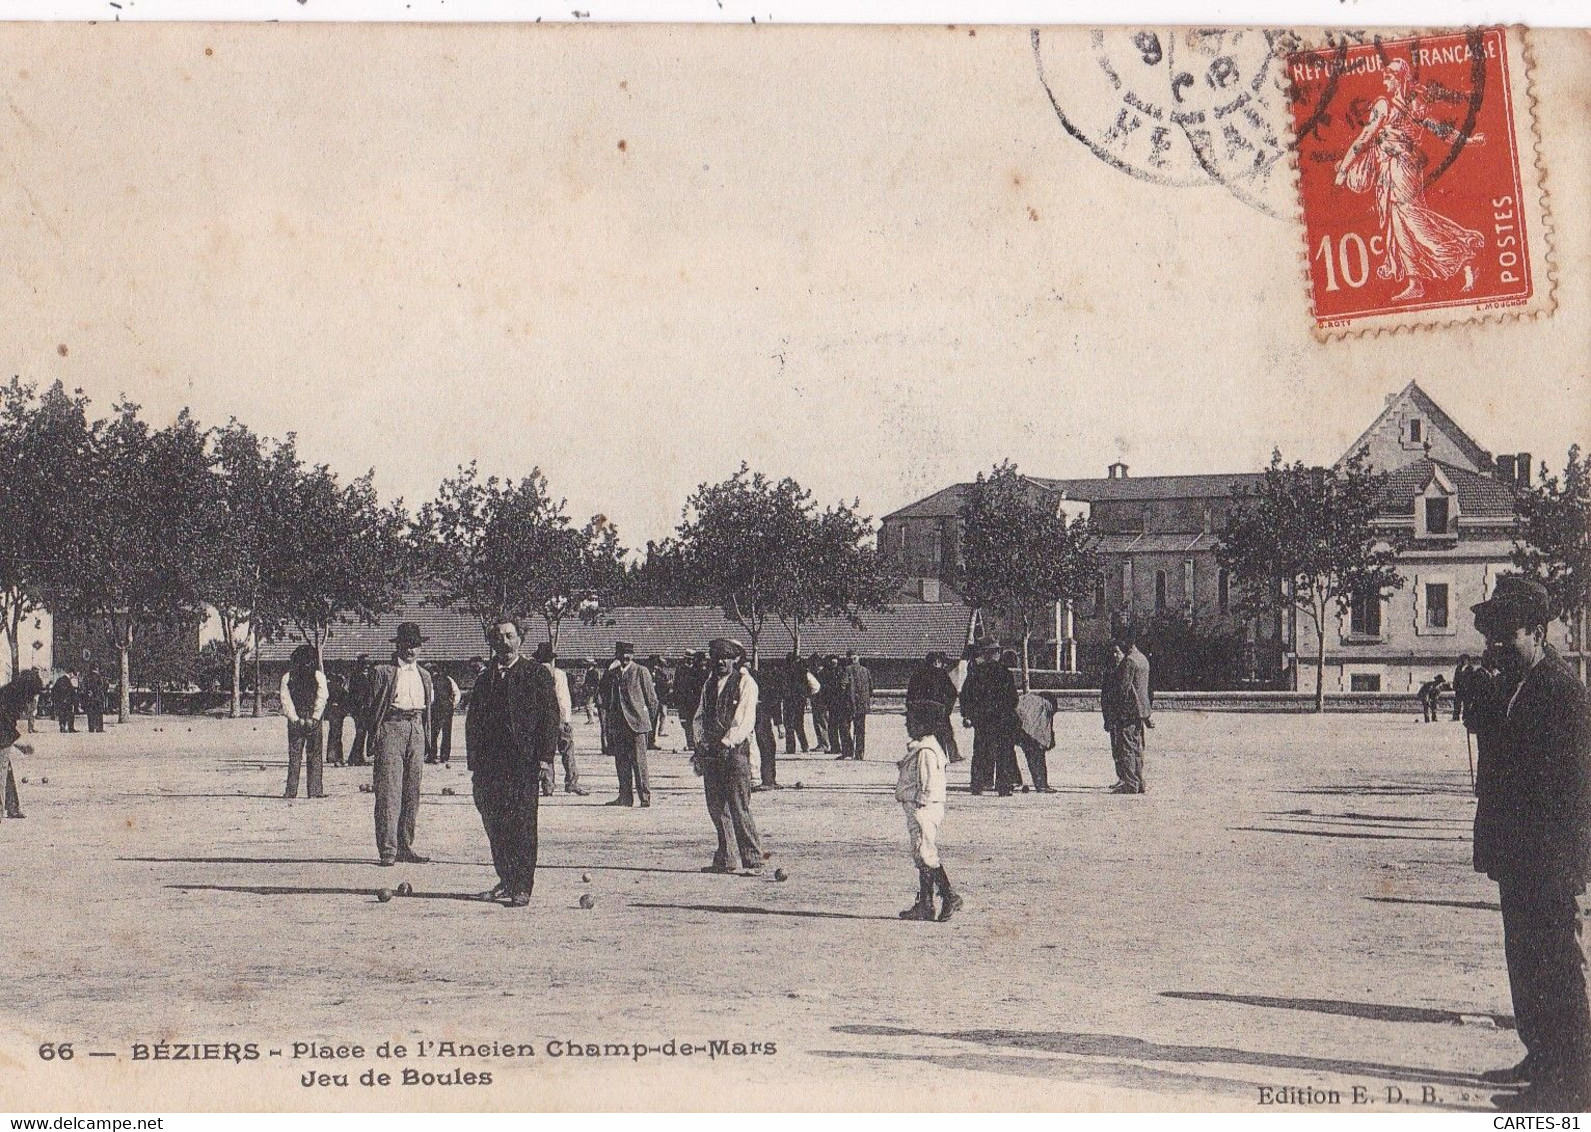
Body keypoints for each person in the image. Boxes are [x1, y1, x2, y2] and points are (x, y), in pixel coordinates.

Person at [1468, 577, 1590, 1111]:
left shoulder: (1561, 691)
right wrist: (1479, 706)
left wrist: (1573, 862)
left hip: (1549, 856)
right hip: (1519, 853)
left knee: (1555, 962)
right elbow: (1505, 748)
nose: (1496, 644)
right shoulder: (1518, 681)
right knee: (1524, 958)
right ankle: (1540, 1055)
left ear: (1538, 632)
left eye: (1506, 634)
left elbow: (1576, 785)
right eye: (1491, 635)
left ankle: (1572, 1083)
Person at [1333, 58, 1484, 302]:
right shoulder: (1393, 104)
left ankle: (1465, 253)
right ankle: (1416, 283)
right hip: (1389, 171)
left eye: (1388, 77)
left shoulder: (1406, 105)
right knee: (1400, 225)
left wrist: (1467, 140)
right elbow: (1367, 136)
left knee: (1415, 221)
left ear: (1399, 77)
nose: (1384, 81)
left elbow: (1439, 130)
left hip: (1403, 168)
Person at [467, 617, 560, 907]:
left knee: (522, 824)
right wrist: (475, 767)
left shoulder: (536, 675)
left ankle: (522, 886)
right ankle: (505, 880)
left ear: (520, 639)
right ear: (492, 643)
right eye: (499, 637)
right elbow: (473, 724)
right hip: (490, 767)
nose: (504, 643)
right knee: (495, 824)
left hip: (524, 764)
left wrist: (545, 760)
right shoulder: (485, 679)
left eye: (510, 636)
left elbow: (550, 719)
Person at [692, 638, 765, 875]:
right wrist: (701, 743)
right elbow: (700, 716)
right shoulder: (709, 684)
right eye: (716, 657)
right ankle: (726, 858)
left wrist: (727, 741)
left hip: (735, 754)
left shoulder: (745, 682)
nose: (720, 662)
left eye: (725, 657)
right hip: (712, 753)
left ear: (735, 659)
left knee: (738, 806)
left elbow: (744, 719)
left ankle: (753, 859)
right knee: (716, 807)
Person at [363, 623, 434, 866]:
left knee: (412, 792)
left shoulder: (425, 675)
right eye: (406, 645)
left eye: (415, 645)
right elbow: (369, 705)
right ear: (398, 646)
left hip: (416, 728)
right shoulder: (383, 672)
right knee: (389, 791)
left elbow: (429, 710)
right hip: (391, 726)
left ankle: (406, 845)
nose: (411, 650)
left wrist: (426, 736)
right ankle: (388, 849)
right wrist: (375, 734)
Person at [896, 703, 962, 921]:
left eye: (911, 721)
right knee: (921, 853)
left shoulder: (926, 751)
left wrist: (919, 808)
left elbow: (928, 784)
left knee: (925, 852)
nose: (907, 725)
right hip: (922, 807)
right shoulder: (924, 747)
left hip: (923, 807)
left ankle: (948, 894)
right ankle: (925, 904)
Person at [600, 640, 659, 808]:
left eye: (628, 654)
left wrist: (647, 723)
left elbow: (653, 701)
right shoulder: (613, 673)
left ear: (632, 655)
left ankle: (644, 797)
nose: (625, 657)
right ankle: (625, 797)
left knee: (639, 762)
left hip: (637, 726)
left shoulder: (641, 671)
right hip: (619, 726)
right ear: (617, 656)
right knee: (621, 762)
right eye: (621, 654)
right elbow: (604, 695)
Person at [961, 642, 1020, 796]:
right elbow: (1013, 698)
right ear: (994, 653)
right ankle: (1003, 787)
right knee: (1004, 752)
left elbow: (965, 696)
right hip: (1002, 719)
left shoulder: (975, 673)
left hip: (982, 720)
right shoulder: (1004, 673)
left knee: (981, 752)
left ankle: (977, 785)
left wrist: (968, 715)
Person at [533, 642, 587, 797]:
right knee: (567, 751)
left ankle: (548, 786)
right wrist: (567, 720)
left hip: (541, 720)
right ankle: (571, 782)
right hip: (559, 718)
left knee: (545, 751)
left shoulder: (533, 674)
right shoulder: (558, 674)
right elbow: (563, 698)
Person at [1102, 630, 1152, 794]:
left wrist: (1114, 713)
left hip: (1128, 711)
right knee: (1137, 747)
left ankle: (1130, 783)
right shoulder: (1143, 659)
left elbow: (1123, 689)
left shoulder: (1129, 662)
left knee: (1127, 747)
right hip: (1140, 711)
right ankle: (1139, 781)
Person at [278, 643, 328, 800]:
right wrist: (315, 717)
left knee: (295, 755)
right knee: (315, 754)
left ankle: (291, 791)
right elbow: (322, 697)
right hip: (313, 718)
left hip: (297, 718)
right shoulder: (318, 676)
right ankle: (315, 790)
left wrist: (294, 719)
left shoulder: (287, 677)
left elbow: (285, 701)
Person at [0, 669, 44, 821]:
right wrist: (20, 744)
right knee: (1, 771)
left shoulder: (9, 692)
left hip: (3, 735)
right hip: (2, 736)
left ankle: (12, 806)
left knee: (6, 769)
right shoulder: (11, 698)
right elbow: (5, 725)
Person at [906, 651, 961, 763]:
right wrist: (947, 708)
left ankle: (922, 759)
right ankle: (947, 757)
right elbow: (953, 692)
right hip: (938, 712)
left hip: (920, 713)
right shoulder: (941, 674)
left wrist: (912, 709)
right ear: (937, 662)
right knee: (944, 735)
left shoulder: (917, 674)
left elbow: (910, 695)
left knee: (922, 737)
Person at [1016, 687, 1057, 793]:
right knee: (1037, 756)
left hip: (1014, 725)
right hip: (1029, 732)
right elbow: (1043, 730)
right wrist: (1047, 742)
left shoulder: (1027, 698)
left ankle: (1011, 780)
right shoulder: (1045, 706)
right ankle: (1041, 785)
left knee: (1007, 754)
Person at [752, 659, 783, 790]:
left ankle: (768, 780)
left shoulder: (758, 683)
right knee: (765, 749)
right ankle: (767, 780)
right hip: (761, 724)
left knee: (765, 748)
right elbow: (776, 708)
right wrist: (779, 725)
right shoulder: (772, 685)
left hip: (760, 723)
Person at [673, 651, 707, 752]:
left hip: (695, 700)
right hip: (685, 700)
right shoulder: (681, 669)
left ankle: (694, 742)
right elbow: (677, 685)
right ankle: (690, 742)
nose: (690, 660)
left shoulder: (698, 669)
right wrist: (676, 698)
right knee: (686, 722)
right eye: (689, 658)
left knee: (694, 721)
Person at [844, 650, 873, 760]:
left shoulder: (847, 670)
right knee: (860, 729)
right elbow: (871, 688)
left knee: (844, 726)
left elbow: (843, 686)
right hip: (863, 704)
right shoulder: (866, 671)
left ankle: (848, 751)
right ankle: (859, 753)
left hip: (850, 704)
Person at [427, 666, 459, 765]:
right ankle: (445, 756)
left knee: (433, 733)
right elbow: (457, 693)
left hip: (436, 709)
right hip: (448, 709)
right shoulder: (449, 679)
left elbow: (431, 696)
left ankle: (432, 755)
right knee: (447, 733)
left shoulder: (431, 681)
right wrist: (453, 705)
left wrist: (429, 708)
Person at [346, 654, 374, 767]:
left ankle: (358, 757)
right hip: (360, 709)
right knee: (360, 733)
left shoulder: (367, 676)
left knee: (362, 733)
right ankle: (354, 758)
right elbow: (354, 694)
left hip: (365, 708)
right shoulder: (357, 676)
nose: (366, 666)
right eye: (365, 664)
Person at [782, 651, 812, 754]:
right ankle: (805, 746)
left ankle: (790, 748)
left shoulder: (786, 671)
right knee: (799, 724)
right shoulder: (803, 671)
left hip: (789, 700)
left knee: (789, 724)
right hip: (800, 700)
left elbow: (783, 687)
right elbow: (810, 685)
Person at [827, 655, 856, 760]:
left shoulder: (843, 674)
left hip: (843, 705)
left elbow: (842, 689)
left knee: (844, 728)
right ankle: (846, 750)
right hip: (841, 705)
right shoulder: (841, 673)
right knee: (843, 728)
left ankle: (847, 751)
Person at [323, 668, 349, 766]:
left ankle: (330, 756)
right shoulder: (340, 689)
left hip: (330, 711)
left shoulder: (328, 687)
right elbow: (346, 700)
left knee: (332, 733)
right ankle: (337, 756)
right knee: (337, 734)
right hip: (338, 712)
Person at [807, 653, 830, 752]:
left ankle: (825, 744)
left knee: (822, 722)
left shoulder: (824, 674)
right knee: (817, 722)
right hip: (817, 701)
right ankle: (821, 743)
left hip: (822, 702)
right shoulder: (818, 674)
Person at [647, 656, 672, 749]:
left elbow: (664, 686)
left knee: (653, 722)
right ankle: (646, 742)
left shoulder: (660, 674)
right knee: (647, 722)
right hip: (648, 702)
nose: (655, 666)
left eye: (656, 665)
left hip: (658, 700)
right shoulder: (647, 673)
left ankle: (651, 741)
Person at [81, 665, 109, 733]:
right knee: (99, 713)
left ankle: (91, 728)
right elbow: (103, 687)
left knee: (90, 714)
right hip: (98, 698)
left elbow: (83, 688)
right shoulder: (100, 677)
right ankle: (99, 728)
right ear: (97, 669)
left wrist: (88, 694)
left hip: (89, 699)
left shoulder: (86, 677)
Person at [1452, 654, 1476, 722]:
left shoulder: (1471, 669)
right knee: (1457, 704)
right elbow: (1455, 678)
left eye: (1464, 659)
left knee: (1467, 704)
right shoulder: (1458, 668)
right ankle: (1455, 717)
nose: (1462, 661)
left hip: (1467, 690)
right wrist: (1455, 686)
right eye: (1461, 659)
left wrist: (1472, 689)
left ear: (1467, 661)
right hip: (1459, 689)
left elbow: (1473, 680)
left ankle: (1465, 717)